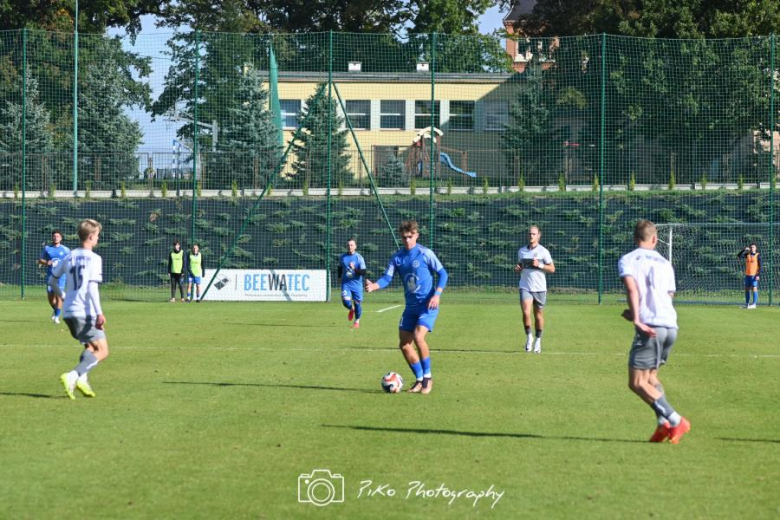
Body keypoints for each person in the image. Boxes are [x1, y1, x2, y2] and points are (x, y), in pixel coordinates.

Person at [619, 219, 690, 444]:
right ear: (655, 239)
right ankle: (663, 425)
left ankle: (675, 420)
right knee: (651, 377)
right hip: (670, 325)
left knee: (637, 382)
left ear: (634, 238)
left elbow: (632, 288)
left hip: (650, 326)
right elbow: (668, 296)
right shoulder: (665, 262)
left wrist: (637, 318)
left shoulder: (628, 259)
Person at [366, 220, 448, 395]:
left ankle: (428, 378)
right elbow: (387, 278)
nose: (407, 240)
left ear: (416, 235)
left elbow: (442, 273)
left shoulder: (425, 253)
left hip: (428, 304)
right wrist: (374, 286)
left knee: (419, 337)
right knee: (404, 345)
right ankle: (419, 379)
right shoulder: (397, 257)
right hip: (410, 307)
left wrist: (437, 294)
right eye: (404, 237)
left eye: (410, 237)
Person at [50, 219, 108, 400]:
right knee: (103, 350)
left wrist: (64, 296)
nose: (98, 238)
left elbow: (52, 281)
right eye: (97, 235)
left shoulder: (69, 255)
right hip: (85, 311)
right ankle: (74, 376)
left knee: (90, 346)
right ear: (91, 236)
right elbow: (92, 288)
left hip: (68, 312)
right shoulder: (95, 258)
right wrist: (99, 312)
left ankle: (83, 379)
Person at [514, 226, 555, 353]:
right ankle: (529, 337)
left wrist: (540, 265)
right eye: (529, 234)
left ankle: (538, 340)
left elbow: (552, 269)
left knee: (538, 316)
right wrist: (518, 269)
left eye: (534, 234)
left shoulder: (544, 251)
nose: (531, 236)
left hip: (540, 288)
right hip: (525, 286)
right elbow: (520, 266)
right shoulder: (522, 251)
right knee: (526, 312)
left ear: (538, 235)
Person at [38, 230, 70, 324]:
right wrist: (46, 262)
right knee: (51, 298)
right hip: (50, 276)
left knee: (59, 296)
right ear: (52, 238)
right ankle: (56, 310)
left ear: (61, 238)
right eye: (54, 236)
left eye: (57, 236)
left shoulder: (65, 249)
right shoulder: (47, 249)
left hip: (61, 276)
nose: (56, 238)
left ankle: (56, 317)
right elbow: (40, 260)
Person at [338, 238, 367, 329]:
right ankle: (351, 309)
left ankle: (357, 321)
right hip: (346, 283)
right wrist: (339, 277)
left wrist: (354, 268)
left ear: (355, 246)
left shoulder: (359, 258)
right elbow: (339, 268)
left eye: (351, 245)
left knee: (357, 303)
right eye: (348, 245)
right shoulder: (342, 257)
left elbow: (363, 272)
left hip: (357, 285)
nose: (350, 247)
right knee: (346, 302)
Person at [737, 243, 761, 309]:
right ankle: (747, 304)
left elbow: (760, 266)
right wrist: (744, 249)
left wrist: (758, 275)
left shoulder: (758, 255)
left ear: (755, 248)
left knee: (754, 288)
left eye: (753, 247)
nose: (752, 248)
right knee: (747, 289)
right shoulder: (747, 254)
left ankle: (754, 304)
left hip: (754, 275)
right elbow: (738, 256)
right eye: (751, 247)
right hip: (747, 275)